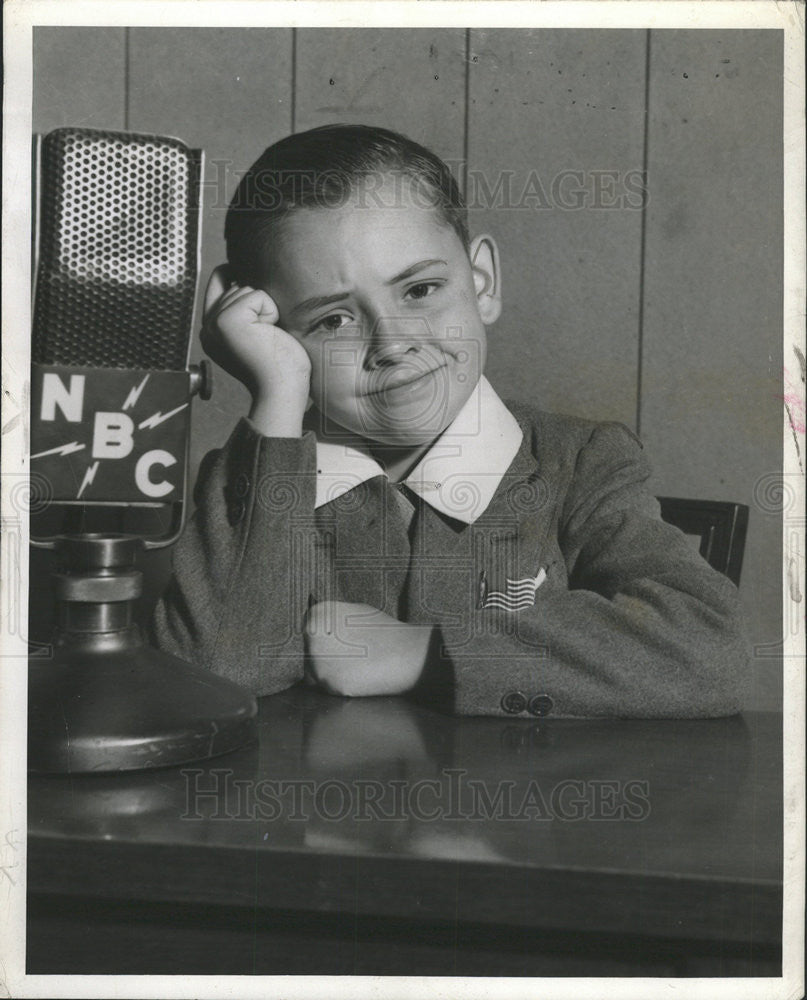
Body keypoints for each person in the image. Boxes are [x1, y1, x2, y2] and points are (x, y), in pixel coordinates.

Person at [151, 123, 750, 718]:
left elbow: (712, 652)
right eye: (332, 321)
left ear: (481, 280)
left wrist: (425, 653)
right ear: (272, 333)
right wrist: (277, 393)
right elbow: (220, 673)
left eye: (420, 290)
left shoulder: (582, 461)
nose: (393, 343)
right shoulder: (261, 479)